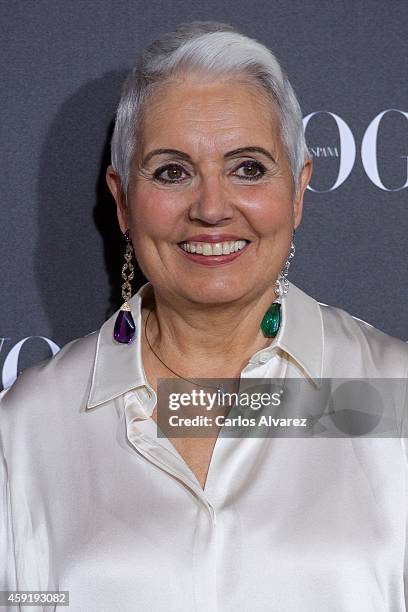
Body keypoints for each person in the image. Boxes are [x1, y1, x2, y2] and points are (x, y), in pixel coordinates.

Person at [1, 20, 407, 612]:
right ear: (121, 201)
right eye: (172, 171)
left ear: (297, 192)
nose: (212, 208)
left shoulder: (393, 395)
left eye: (248, 168)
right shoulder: (28, 428)